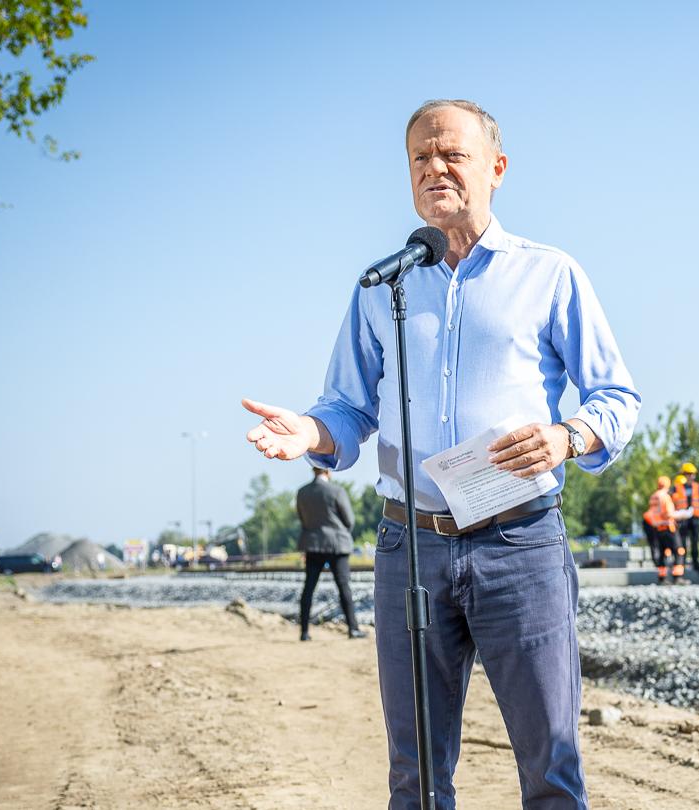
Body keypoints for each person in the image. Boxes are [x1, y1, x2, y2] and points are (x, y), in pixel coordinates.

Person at [240, 98, 639, 809]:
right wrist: (311, 432)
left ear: (497, 167)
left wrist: (566, 437)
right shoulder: (381, 287)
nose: (435, 168)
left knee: (552, 765)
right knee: (416, 776)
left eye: (451, 154)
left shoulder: (549, 275)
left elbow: (616, 398)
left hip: (521, 544)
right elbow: (349, 407)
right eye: (420, 158)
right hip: (410, 549)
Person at [296, 465, 364, 641]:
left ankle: (304, 632)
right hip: (337, 544)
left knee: (308, 588)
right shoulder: (337, 491)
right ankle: (353, 629)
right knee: (343, 587)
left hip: (313, 544)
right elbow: (349, 520)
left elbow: (303, 519)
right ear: (328, 471)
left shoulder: (302, 492)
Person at [644, 475, 684, 585]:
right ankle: (677, 577)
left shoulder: (653, 496)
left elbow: (651, 513)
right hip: (668, 527)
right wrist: (682, 515)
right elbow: (669, 514)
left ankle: (662, 578)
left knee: (662, 553)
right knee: (679, 551)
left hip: (657, 528)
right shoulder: (665, 497)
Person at [670, 462, 699, 572]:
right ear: (684, 474)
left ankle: (696, 565)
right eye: (689, 474)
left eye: (693, 474)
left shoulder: (698, 487)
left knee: (695, 542)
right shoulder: (677, 487)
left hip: (694, 518)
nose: (691, 476)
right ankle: (682, 565)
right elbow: (669, 498)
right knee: (682, 543)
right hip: (682, 518)